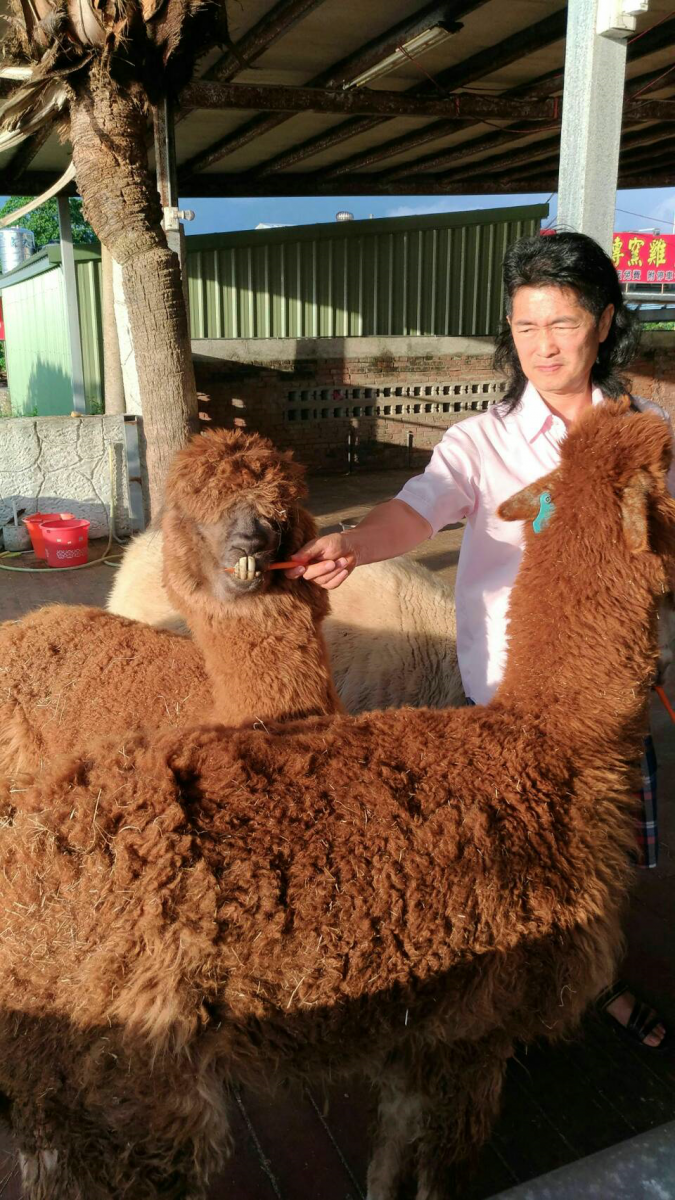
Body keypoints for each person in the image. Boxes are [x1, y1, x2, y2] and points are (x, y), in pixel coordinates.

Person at [286, 230, 671, 1049]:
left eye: (562, 323)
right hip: (503, 696)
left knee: (597, 855)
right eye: (525, 326)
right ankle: (516, 991)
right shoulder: (481, 440)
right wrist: (355, 540)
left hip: (608, 703)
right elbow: (417, 508)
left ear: (603, 322)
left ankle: (595, 980)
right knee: (513, 857)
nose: (543, 345)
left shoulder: (648, 436)